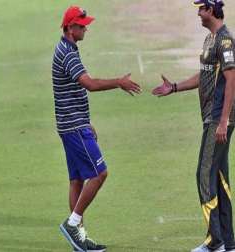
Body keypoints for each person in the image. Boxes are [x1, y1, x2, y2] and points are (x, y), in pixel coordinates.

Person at [52, 6, 141, 252]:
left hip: (71, 123)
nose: (86, 28)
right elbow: (89, 84)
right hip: (73, 126)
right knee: (100, 173)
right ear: (70, 27)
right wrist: (119, 82)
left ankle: (78, 238)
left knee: (77, 180)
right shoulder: (68, 53)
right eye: (81, 25)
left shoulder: (67, 48)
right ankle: (73, 224)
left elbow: (73, 89)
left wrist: (86, 118)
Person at [152, 1, 235, 251]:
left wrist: (223, 121)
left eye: (201, 8)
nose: (198, 13)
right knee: (218, 176)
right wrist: (175, 87)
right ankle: (228, 242)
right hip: (212, 118)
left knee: (203, 174)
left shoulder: (225, 41)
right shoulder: (210, 40)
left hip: (218, 120)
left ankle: (215, 241)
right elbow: (205, 75)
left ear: (211, 10)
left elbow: (232, 80)